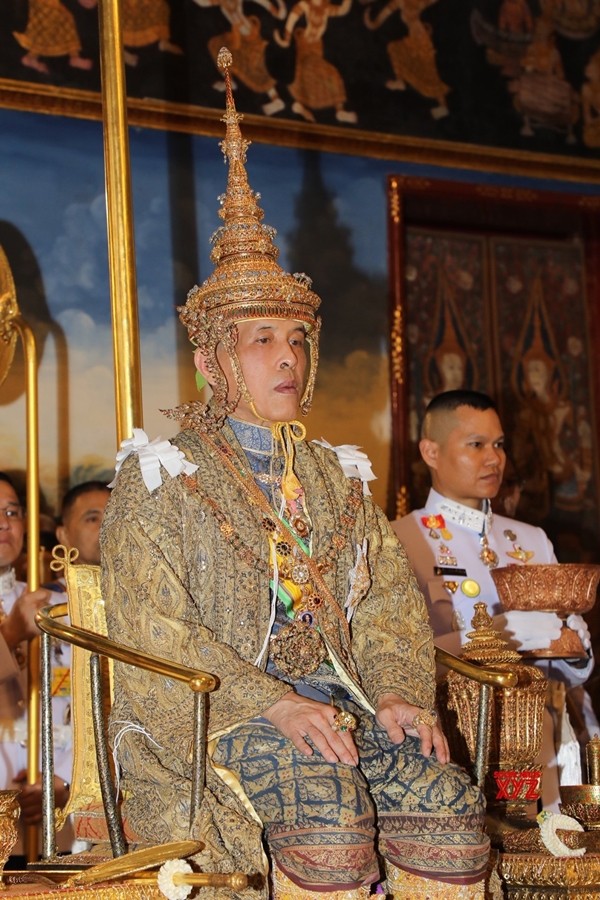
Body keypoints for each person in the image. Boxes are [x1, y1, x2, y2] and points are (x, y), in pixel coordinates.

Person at [100, 49, 489, 900]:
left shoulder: (333, 475)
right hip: (219, 709)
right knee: (326, 817)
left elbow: (386, 599)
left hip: (341, 696)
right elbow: (152, 629)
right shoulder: (160, 476)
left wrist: (394, 694)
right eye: (263, 340)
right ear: (212, 360)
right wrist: (270, 701)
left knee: (450, 811)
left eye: (298, 338)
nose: (289, 356)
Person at [392, 390, 596, 811]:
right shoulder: (402, 539)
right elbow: (397, 659)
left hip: (540, 741)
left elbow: (569, 676)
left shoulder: (530, 539)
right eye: (476, 445)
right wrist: (494, 638)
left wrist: (573, 647)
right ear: (431, 451)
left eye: (499, 445)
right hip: (455, 738)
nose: (493, 459)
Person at [0, 472, 71, 859]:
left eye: (12, 511)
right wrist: (10, 635)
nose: (3, 522)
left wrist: (62, 779)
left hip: (49, 822)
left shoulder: (50, 605)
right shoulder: (24, 616)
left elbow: (87, 702)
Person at [55, 480, 111, 566]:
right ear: (64, 536)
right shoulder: (34, 580)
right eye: (93, 519)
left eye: (113, 518)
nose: (107, 527)